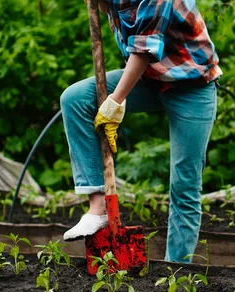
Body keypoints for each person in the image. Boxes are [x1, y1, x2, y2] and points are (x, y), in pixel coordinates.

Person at [61, 0, 222, 263]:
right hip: (148, 80)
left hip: (192, 86)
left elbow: (144, 49)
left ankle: (177, 271)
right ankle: (98, 208)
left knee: (185, 185)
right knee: (75, 99)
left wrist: (115, 103)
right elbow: (114, 14)